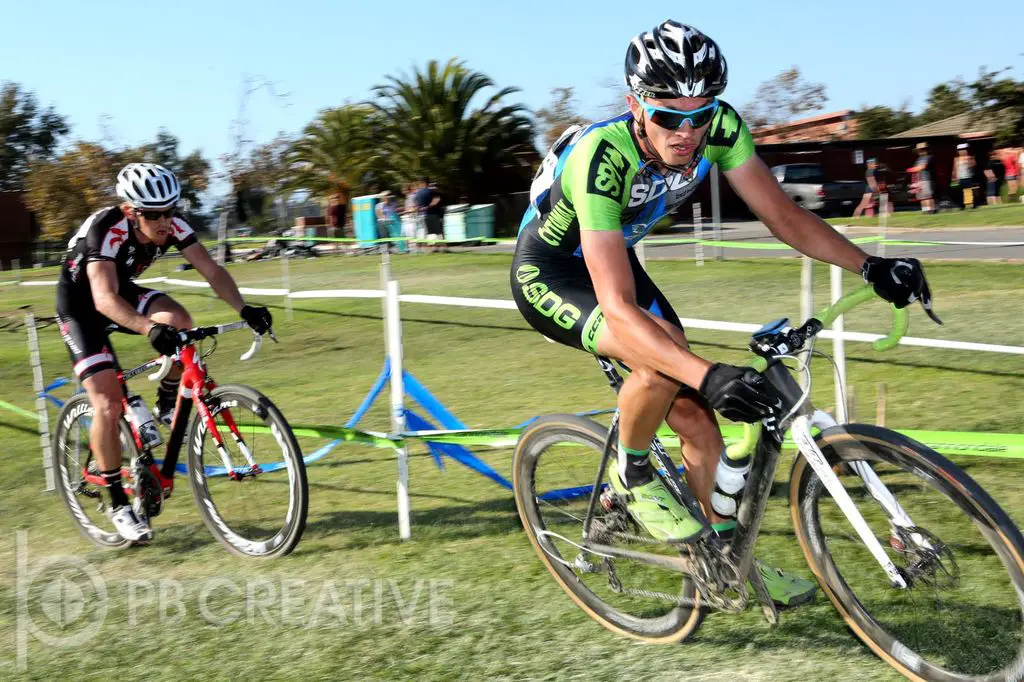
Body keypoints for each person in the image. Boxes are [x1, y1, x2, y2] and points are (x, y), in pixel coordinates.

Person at [510, 20, 935, 607]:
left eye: (700, 112)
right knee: (661, 363)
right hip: (553, 271)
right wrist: (708, 374)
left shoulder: (722, 129)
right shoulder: (600, 157)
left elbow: (785, 218)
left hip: (614, 258)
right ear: (635, 105)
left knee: (702, 429)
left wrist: (870, 265)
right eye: (667, 115)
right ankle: (630, 477)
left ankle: (727, 564)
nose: (686, 131)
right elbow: (616, 307)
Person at [55, 163, 274, 541]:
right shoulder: (105, 229)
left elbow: (211, 269)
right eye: (153, 215)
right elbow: (103, 298)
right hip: (82, 305)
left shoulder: (173, 224)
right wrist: (148, 328)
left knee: (181, 321)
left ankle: (167, 402)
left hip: (121, 291)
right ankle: (118, 502)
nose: (163, 222)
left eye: (170, 211)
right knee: (106, 403)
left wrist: (244, 308)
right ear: (130, 211)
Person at [907, 142, 935, 213]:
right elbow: (916, 167)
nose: (919, 152)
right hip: (919, 180)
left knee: (927, 196)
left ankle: (930, 210)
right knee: (921, 197)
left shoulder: (929, 157)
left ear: (924, 150)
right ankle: (925, 210)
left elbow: (923, 167)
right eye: (918, 150)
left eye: (920, 150)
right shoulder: (919, 159)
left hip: (926, 179)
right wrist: (914, 169)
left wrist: (912, 169)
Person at [953, 143, 977, 209]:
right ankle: (962, 205)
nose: (962, 151)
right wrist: (954, 177)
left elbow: (974, 165)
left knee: (970, 191)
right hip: (960, 177)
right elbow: (955, 169)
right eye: (960, 150)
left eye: (964, 150)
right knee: (961, 192)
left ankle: (972, 204)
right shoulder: (957, 159)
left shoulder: (970, 157)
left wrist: (968, 161)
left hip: (969, 177)